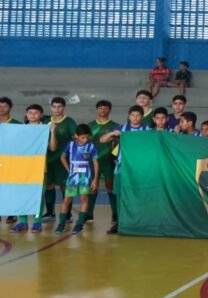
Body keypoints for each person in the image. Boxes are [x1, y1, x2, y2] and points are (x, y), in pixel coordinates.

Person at [97, 104, 151, 234]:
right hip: (122, 167)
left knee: (140, 194)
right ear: (129, 116)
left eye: (138, 115)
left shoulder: (147, 130)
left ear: (142, 117)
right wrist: (112, 133)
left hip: (140, 168)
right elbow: (102, 140)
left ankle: (140, 222)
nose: (135, 117)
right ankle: (120, 222)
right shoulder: (122, 128)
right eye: (133, 115)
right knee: (120, 195)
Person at [55, 125, 99, 235]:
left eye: (87, 137)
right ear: (76, 136)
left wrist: (95, 179)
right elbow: (62, 157)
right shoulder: (70, 145)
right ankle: (61, 224)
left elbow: (96, 163)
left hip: (85, 177)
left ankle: (79, 224)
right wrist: (68, 169)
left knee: (84, 198)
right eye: (83, 137)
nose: (85, 139)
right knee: (67, 199)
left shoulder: (91, 146)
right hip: (73, 177)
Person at [44, 97, 76, 222]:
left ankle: (67, 214)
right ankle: (50, 213)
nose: (56, 109)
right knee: (49, 185)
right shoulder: (46, 121)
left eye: (59, 106)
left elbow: (76, 139)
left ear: (64, 107)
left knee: (64, 186)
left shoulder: (69, 122)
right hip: (48, 160)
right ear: (51, 107)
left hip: (63, 160)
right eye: (54, 106)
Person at [85, 100, 118, 224]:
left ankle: (115, 214)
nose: (103, 110)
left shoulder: (115, 126)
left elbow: (118, 144)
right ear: (96, 110)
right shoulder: (90, 126)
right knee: (92, 187)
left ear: (110, 110)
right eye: (100, 108)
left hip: (109, 161)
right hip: (93, 162)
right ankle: (89, 214)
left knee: (110, 187)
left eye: (105, 108)